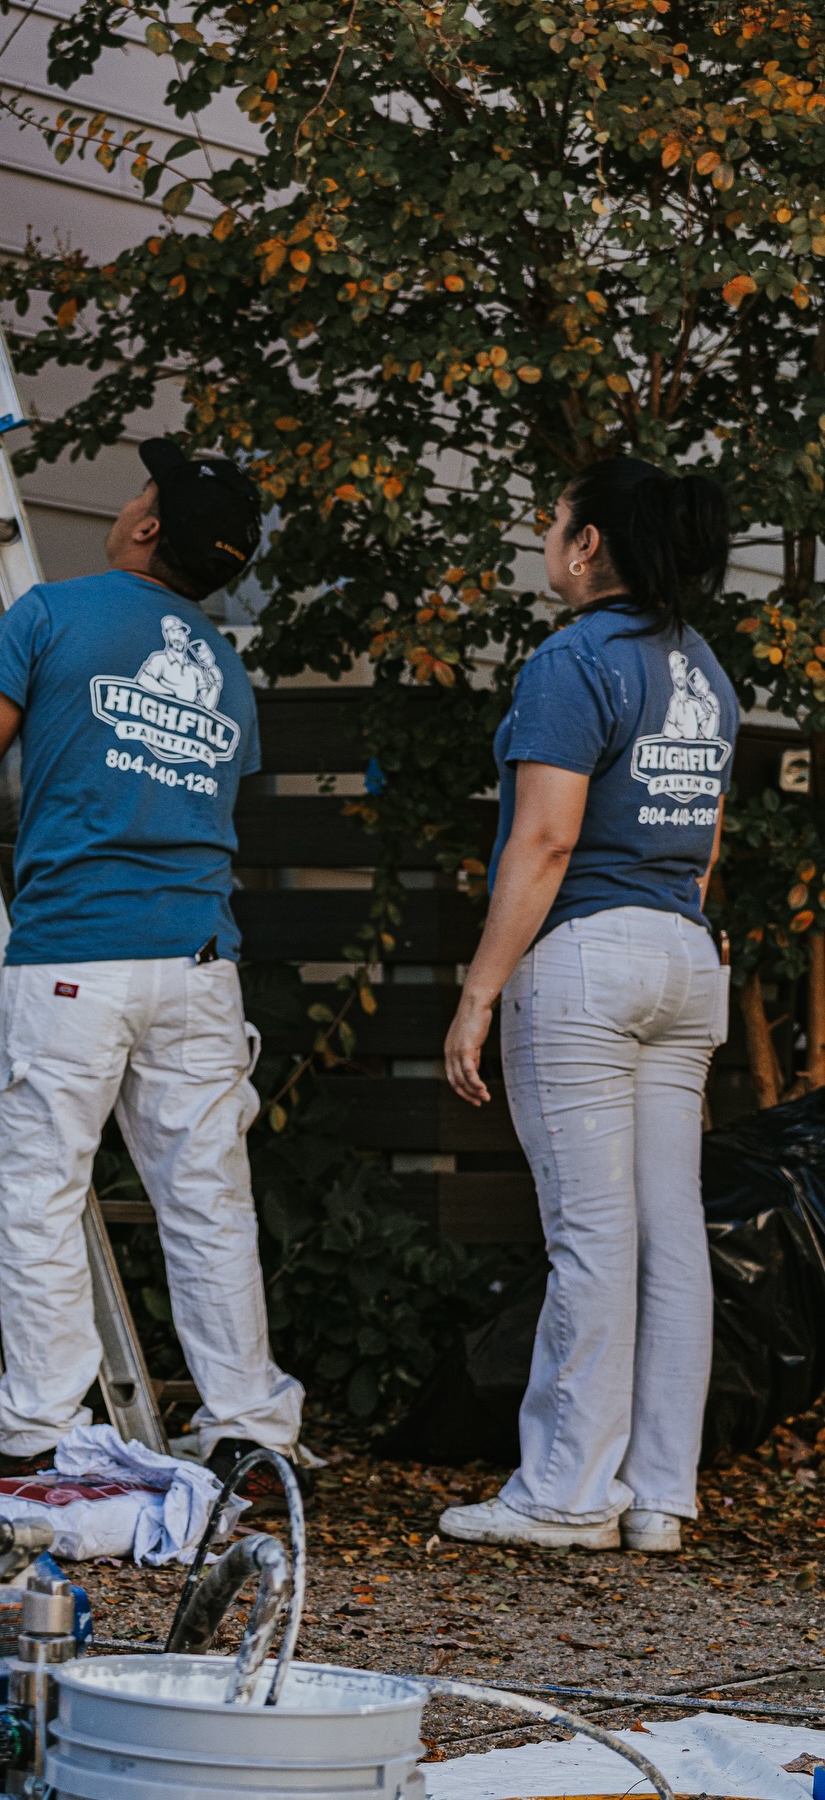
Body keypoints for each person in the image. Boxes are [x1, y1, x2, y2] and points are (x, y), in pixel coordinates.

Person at [0, 439, 308, 1506]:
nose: (128, 502)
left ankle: (34, 1438)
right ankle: (250, 1434)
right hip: (198, 964)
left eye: (140, 493)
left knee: (39, 1197)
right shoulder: (220, 662)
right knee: (209, 1203)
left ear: (147, 526)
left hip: (77, 954)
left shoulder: (52, 614)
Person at [439, 457, 737, 1555]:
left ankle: (564, 1491)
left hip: (588, 958)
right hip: (682, 952)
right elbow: (702, 844)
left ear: (590, 544)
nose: (549, 539)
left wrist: (478, 995)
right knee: (670, 1237)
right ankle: (660, 1493)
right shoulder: (703, 669)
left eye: (556, 523)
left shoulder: (573, 663)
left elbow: (548, 837)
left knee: (593, 1235)